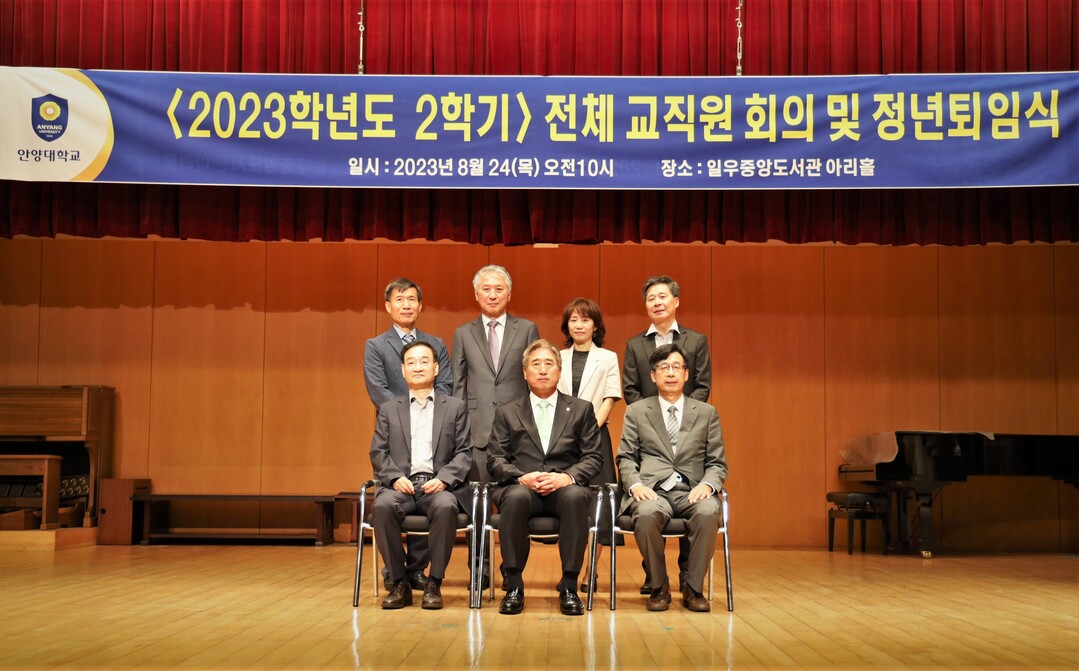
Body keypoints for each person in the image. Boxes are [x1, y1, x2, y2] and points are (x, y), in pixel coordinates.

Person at [486, 339, 604, 616]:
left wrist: (567, 477)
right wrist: (521, 477)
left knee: (575, 497)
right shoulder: (507, 410)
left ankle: (570, 586)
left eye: (549, 364)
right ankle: (514, 585)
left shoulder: (581, 409)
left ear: (559, 371)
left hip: (563, 489)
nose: (542, 370)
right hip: (522, 486)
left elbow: (593, 458)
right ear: (525, 372)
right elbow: (495, 459)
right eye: (535, 364)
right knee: (515, 497)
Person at [617, 344, 727, 613]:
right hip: (653, 491)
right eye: (663, 367)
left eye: (676, 367)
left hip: (693, 490)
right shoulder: (637, 411)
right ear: (653, 375)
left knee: (708, 511)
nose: (670, 373)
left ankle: (693, 588)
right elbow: (626, 457)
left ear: (686, 374)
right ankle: (659, 585)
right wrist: (636, 485)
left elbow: (717, 462)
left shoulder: (706, 412)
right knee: (645, 514)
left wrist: (708, 484)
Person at [621, 274, 712, 593]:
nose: (657, 303)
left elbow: (703, 385)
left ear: (675, 301)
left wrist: (682, 415)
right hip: (649, 433)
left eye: (663, 297)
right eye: (651, 298)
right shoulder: (635, 344)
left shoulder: (696, 340)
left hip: (688, 430)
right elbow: (630, 389)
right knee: (649, 503)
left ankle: (688, 572)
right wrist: (653, 416)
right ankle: (653, 573)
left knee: (694, 493)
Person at [369, 340, 474, 610]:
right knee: (382, 506)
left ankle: (434, 582)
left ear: (436, 368)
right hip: (400, 486)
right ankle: (399, 582)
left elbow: (464, 452)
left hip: (437, 486)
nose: (418, 367)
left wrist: (444, 479)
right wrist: (394, 478)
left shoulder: (455, 407)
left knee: (446, 507)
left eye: (424, 361)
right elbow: (378, 451)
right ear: (403, 370)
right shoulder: (389, 408)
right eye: (411, 362)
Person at [451, 265, 539, 587]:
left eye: (498, 289)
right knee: (477, 505)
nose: (492, 295)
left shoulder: (526, 328)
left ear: (509, 294)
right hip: (476, 433)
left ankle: (512, 572)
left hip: (518, 434)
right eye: (486, 289)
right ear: (476, 295)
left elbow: (535, 380)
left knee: (517, 505)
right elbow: (458, 384)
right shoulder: (463, 333)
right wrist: (458, 430)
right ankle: (480, 570)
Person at [363, 277, 452, 589]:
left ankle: (417, 569)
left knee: (429, 490)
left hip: (433, 426)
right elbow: (377, 389)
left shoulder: (436, 343)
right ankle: (396, 571)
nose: (406, 305)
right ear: (388, 307)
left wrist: (429, 408)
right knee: (394, 497)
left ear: (420, 305)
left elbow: (446, 384)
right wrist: (407, 411)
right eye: (399, 300)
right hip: (395, 433)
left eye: (412, 299)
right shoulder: (375, 346)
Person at [555, 298, 622, 592]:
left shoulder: (608, 357)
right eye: (573, 320)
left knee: (599, 506)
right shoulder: (557, 356)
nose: (579, 325)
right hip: (561, 439)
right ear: (567, 326)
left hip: (595, 436)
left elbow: (610, 397)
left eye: (585, 319)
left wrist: (589, 428)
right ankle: (568, 571)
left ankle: (589, 571)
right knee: (568, 505)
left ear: (595, 325)